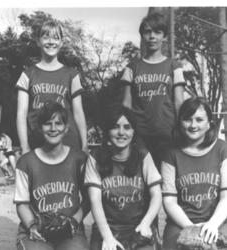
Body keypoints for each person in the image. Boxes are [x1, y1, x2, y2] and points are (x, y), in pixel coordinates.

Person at [84, 105, 162, 250]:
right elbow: (95, 200)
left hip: (137, 226)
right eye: (115, 127)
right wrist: (107, 237)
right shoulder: (96, 157)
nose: (121, 132)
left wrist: (146, 223)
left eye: (127, 127)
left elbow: (157, 194)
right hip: (107, 227)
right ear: (107, 131)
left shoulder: (142, 155)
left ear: (133, 131)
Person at [14, 101, 89, 250]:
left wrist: (74, 222)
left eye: (58, 123)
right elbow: (21, 204)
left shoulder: (78, 159)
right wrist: (32, 226)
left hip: (70, 229)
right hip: (37, 229)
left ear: (66, 128)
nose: (53, 128)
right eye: (48, 124)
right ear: (40, 128)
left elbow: (88, 199)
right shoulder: (26, 162)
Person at [121, 12, 185, 170]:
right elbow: (126, 105)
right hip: (141, 135)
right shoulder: (131, 68)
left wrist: (181, 131)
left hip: (168, 134)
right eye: (147, 32)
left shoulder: (174, 66)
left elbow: (179, 103)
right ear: (142, 36)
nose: (152, 37)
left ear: (164, 37)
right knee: (144, 178)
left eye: (157, 32)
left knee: (167, 178)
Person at [161, 97, 227, 250]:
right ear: (180, 122)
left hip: (218, 220)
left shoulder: (222, 149)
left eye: (199, 119)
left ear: (209, 122)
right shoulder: (171, 154)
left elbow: (226, 197)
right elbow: (169, 202)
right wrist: (191, 229)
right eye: (187, 119)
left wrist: (212, 224)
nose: (193, 125)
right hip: (181, 223)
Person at [16, 19, 87, 155]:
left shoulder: (72, 75)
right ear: (38, 41)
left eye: (56, 38)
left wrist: (84, 145)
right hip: (38, 143)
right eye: (46, 36)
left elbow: (78, 113)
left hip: (68, 144)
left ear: (61, 42)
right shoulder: (27, 75)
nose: (51, 42)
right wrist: (24, 147)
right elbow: (21, 114)